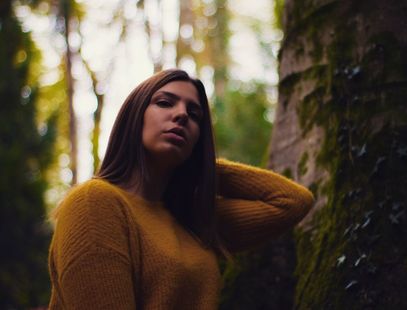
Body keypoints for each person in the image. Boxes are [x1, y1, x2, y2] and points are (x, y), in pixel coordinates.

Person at [48, 69, 314, 309]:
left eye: (194, 114)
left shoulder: (195, 220)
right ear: (134, 117)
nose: (182, 114)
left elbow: (292, 201)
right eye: (164, 102)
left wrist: (203, 167)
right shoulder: (95, 203)